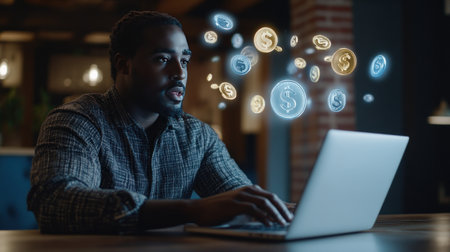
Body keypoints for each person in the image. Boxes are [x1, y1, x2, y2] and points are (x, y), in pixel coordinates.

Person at [27, 10, 293, 234]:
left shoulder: (197, 136)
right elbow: (55, 203)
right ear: (124, 65)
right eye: (163, 59)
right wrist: (193, 210)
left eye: (184, 60)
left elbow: (243, 200)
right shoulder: (78, 121)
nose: (180, 73)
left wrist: (289, 211)